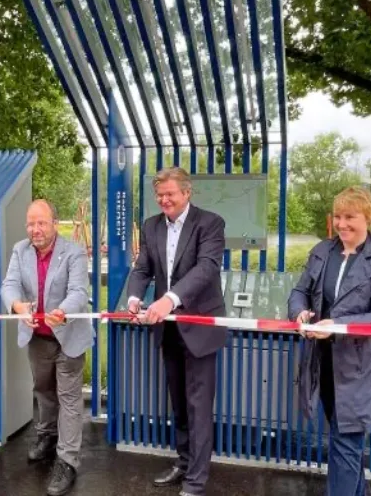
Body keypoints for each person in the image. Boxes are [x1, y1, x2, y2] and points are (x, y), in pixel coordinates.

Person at [287, 186, 371, 496]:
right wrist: (299, 312)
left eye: (350, 217)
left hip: (362, 366)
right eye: (337, 217)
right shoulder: (322, 250)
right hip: (323, 363)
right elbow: (299, 291)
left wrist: (337, 325)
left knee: (346, 442)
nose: (342, 224)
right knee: (343, 440)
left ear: (368, 217)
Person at [127, 167, 227, 496]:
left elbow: (207, 269)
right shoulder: (152, 225)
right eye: (160, 195)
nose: (164, 200)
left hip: (199, 328)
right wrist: (134, 297)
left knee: (199, 407)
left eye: (170, 194)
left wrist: (169, 300)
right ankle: (183, 464)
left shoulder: (210, 223)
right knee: (180, 404)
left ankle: (196, 481)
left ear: (187, 193)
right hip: (168, 330)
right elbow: (143, 268)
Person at [0, 200, 91, 496]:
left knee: (68, 398)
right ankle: (46, 436)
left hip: (69, 336)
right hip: (37, 336)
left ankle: (67, 460)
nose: (35, 229)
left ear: (54, 223)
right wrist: (16, 304)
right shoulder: (20, 250)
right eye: (30, 223)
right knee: (43, 391)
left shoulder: (73, 252)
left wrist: (62, 311)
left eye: (41, 223)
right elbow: (9, 285)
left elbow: (79, 292)